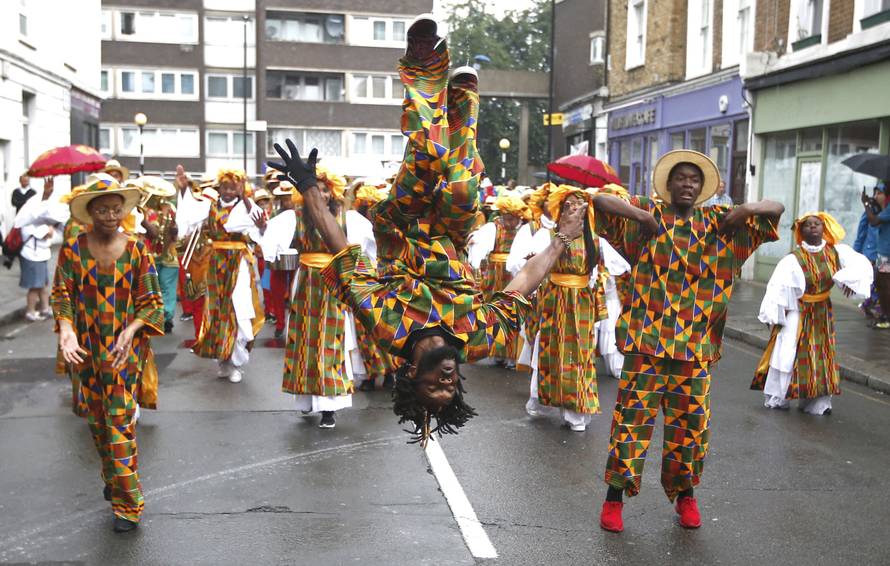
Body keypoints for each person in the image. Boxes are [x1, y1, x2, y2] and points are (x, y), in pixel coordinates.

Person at [268, 14, 591, 445]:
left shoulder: (386, 325)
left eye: (435, 386)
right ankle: (461, 105)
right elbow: (524, 282)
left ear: (410, 375)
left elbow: (341, 247)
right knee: (461, 185)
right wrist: (565, 236)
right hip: (451, 231)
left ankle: (429, 77)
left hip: (399, 225)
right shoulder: (477, 338)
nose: (447, 380)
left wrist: (308, 187)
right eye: (451, 387)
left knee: (426, 156)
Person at [591, 149, 784, 533]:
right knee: (630, 422)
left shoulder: (723, 223)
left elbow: (776, 208)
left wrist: (746, 209)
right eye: (680, 177)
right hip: (645, 346)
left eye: (694, 180)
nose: (688, 184)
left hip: (694, 350)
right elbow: (599, 200)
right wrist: (641, 215)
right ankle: (614, 499)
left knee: (691, 428)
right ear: (668, 183)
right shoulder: (647, 215)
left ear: (703, 189)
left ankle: (686, 497)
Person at [52, 173, 163, 532]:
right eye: (103, 210)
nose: (111, 216)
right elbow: (61, 294)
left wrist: (131, 331)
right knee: (97, 422)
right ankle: (114, 477)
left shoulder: (137, 249)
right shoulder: (73, 248)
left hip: (121, 352)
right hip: (84, 351)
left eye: (116, 210)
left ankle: (128, 505)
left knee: (118, 423)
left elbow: (151, 302)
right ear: (90, 213)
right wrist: (66, 329)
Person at [752, 213, 872, 415]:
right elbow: (778, 289)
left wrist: (850, 284)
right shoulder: (792, 259)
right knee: (789, 352)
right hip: (798, 312)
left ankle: (817, 402)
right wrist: (774, 314)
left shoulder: (836, 252)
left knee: (821, 355)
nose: (813, 228)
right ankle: (780, 396)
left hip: (822, 312)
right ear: (801, 231)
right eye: (808, 225)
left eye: (817, 224)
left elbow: (860, 268)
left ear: (823, 228)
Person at [279, 166, 355, 429]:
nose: (320, 194)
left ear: (331, 193)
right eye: (315, 189)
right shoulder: (296, 217)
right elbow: (273, 239)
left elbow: (363, 247)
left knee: (329, 341)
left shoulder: (347, 218)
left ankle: (329, 408)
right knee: (303, 340)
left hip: (332, 281)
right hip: (306, 281)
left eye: (324, 190)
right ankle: (307, 401)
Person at [179, 169, 266, 383]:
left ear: (240, 188)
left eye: (233, 187)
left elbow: (259, 227)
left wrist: (257, 218)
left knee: (239, 308)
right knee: (218, 311)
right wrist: (183, 189)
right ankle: (223, 361)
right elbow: (188, 213)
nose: (228, 191)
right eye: (225, 187)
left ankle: (236, 364)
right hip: (216, 262)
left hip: (238, 263)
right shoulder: (209, 207)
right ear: (219, 188)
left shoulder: (246, 206)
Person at [467, 194, 531, 368]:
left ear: (519, 217)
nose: (508, 222)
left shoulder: (525, 230)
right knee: (496, 312)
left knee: (515, 312)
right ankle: (497, 353)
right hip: (495, 275)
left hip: (517, 273)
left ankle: (512, 356)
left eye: (512, 218)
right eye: (506, 218)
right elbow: (479, 247)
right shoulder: (493, 227)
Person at [14, 177, 69, 321]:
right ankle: (30, 311)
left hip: (42, 253)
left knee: (43, 284)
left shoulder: (43, 213)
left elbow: (54, 229)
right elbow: (43, 233)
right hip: (31, 254)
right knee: (34, 285)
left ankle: (45, 308)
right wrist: (48, 230)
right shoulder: (29, 215)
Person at [854, 185, 883, 323]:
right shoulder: (870, 211)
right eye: (875, 193)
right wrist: (856, 253)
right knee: (874, 282)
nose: (877, 196)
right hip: (870, 253)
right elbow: (861, 233)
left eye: (880, 193)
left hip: (883, 254)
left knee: (879, 283)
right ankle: (874, 309)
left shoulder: (886, 211)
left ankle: (868, 305)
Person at [864, 181, 890, 329]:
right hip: (884, 251)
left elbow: (874, 221)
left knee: (883, 283)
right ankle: (885, 315)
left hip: (886, 253)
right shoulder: (886, 207)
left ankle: (886, 317)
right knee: (883, 283)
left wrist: (866, 205)